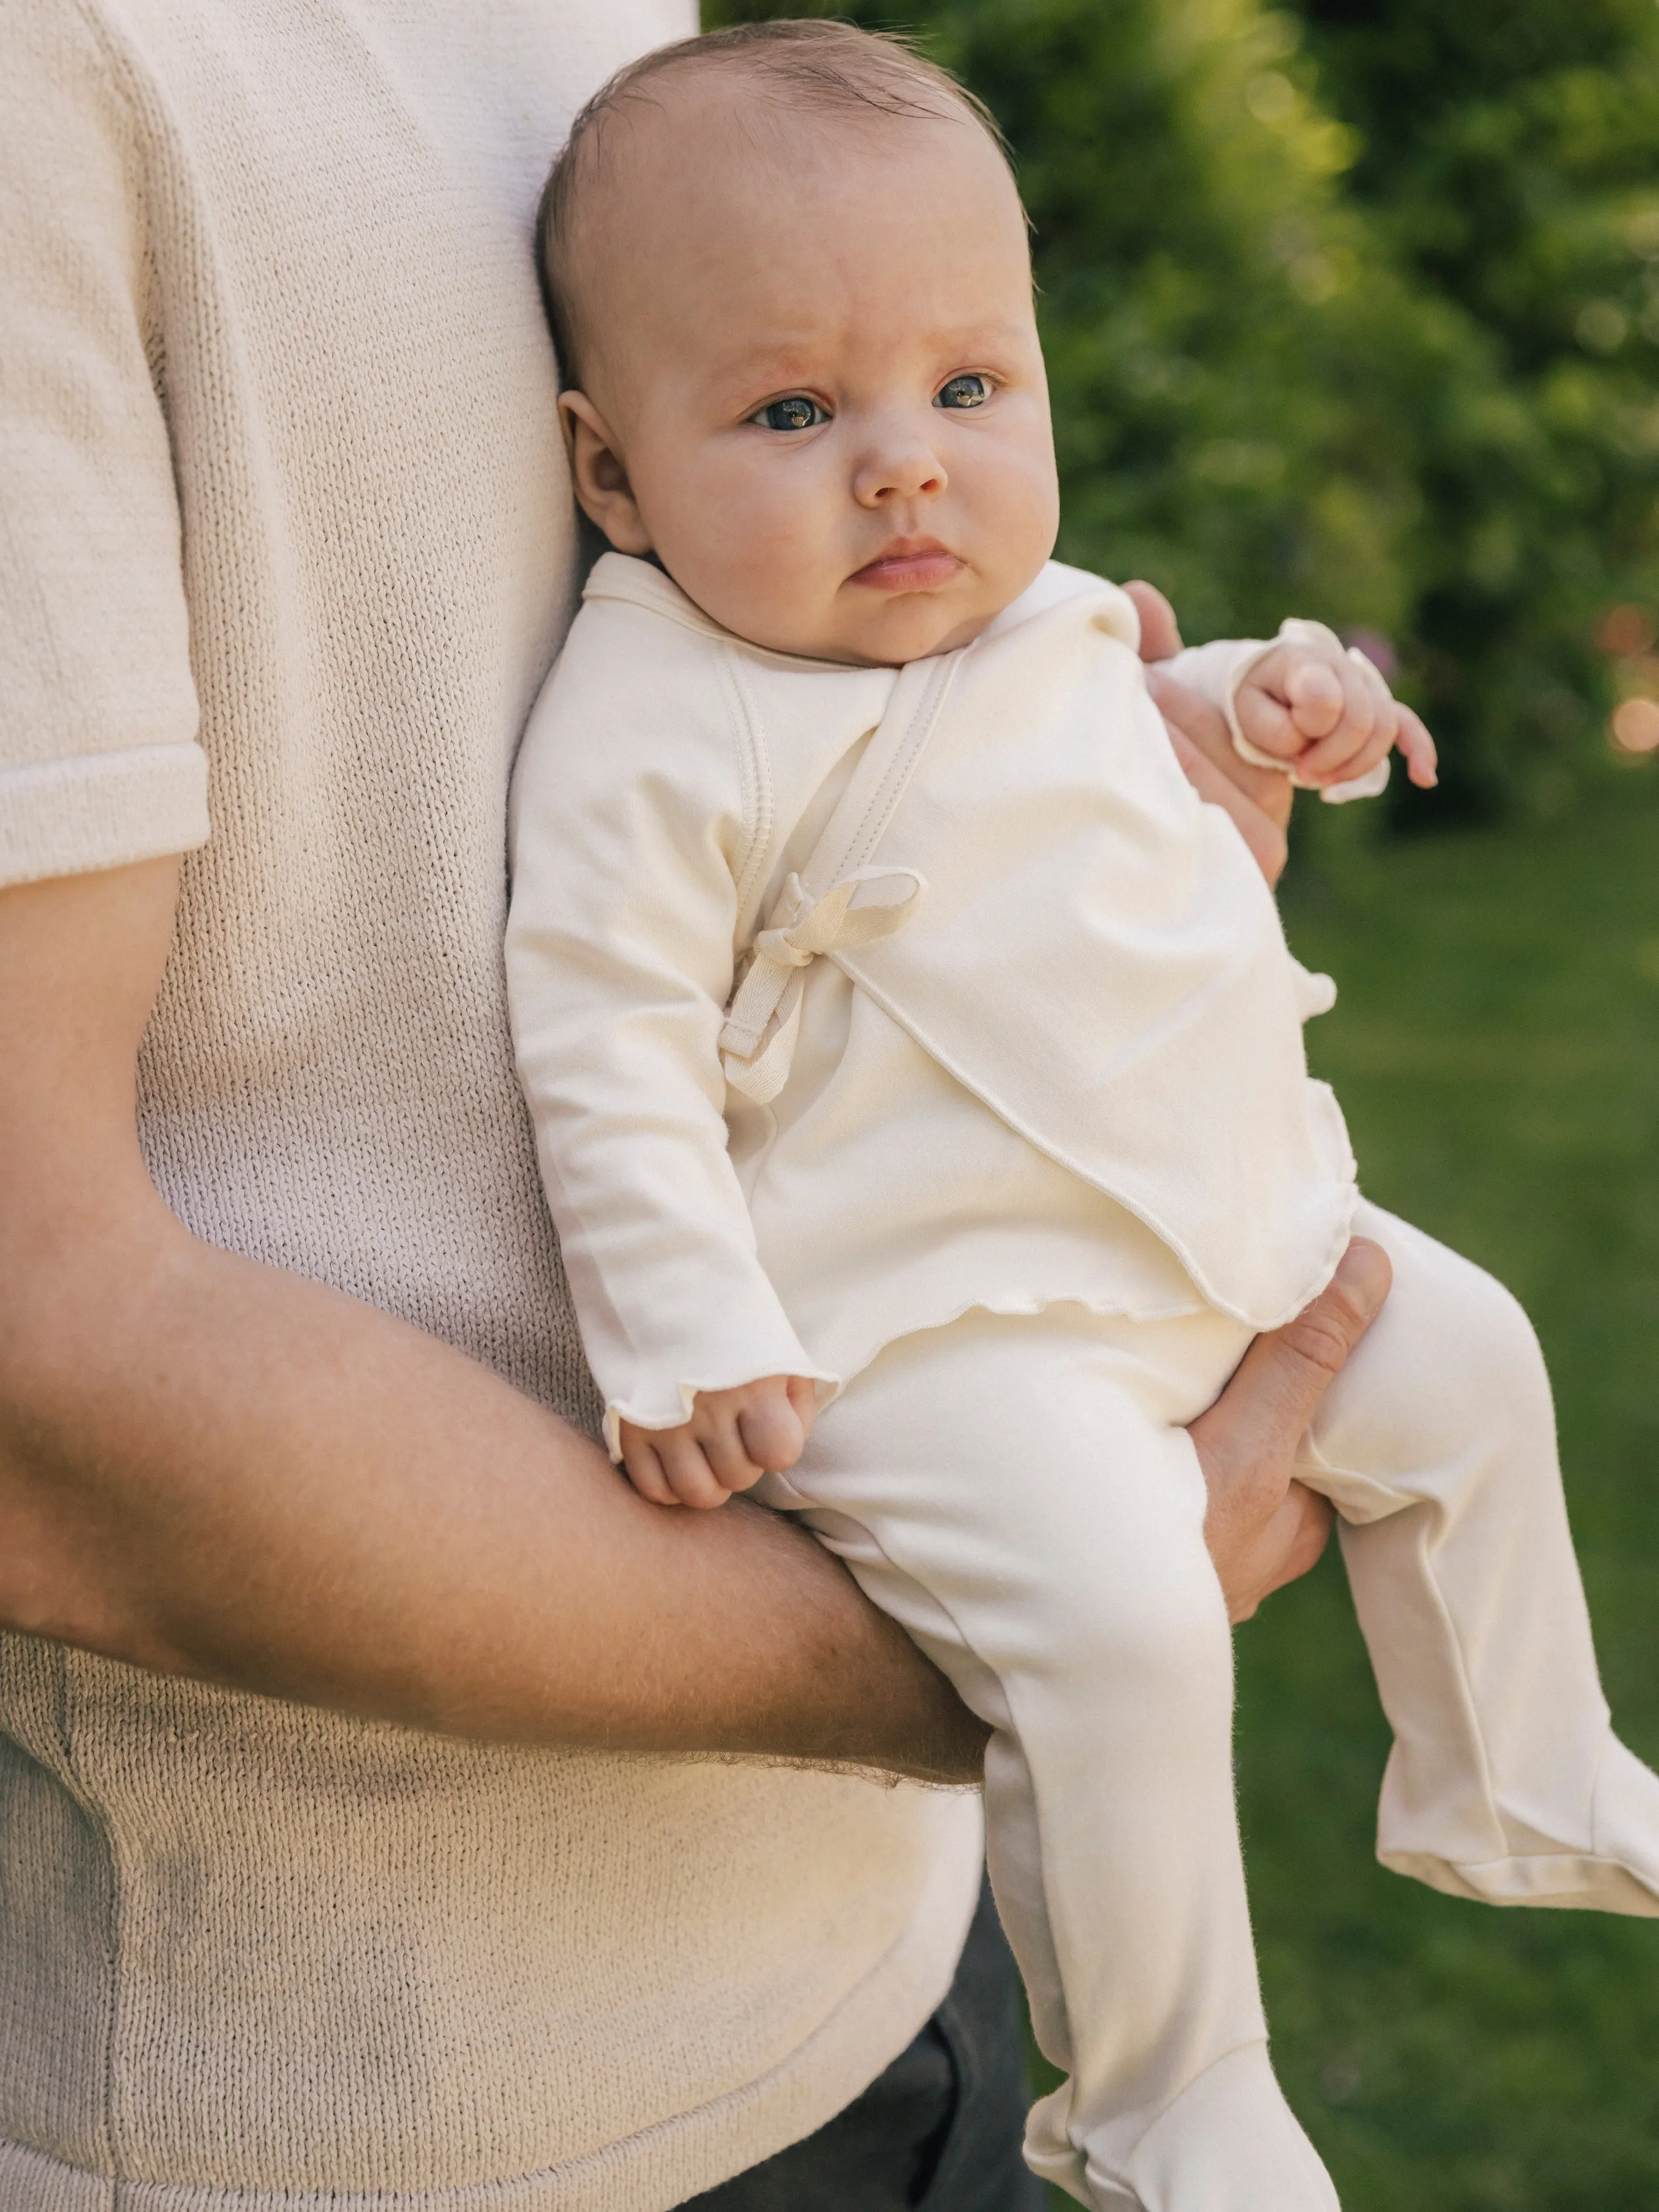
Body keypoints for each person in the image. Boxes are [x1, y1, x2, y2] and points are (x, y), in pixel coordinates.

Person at [0, 4, 1383, 2206]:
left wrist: (1078, 850)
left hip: (875, 1952)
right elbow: (34, 1384)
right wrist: (1040, 1622)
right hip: (381, 2108)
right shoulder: (55, 80)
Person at [506, 24, 1659, 2212]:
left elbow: (1097, 715)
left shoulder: (999, 609)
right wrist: (676, 1325)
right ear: (612, 472)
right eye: (789, 412)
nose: (903, 471)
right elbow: (600, 1021)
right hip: (919, 1331)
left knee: (1467, 1355)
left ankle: (1514, 1767)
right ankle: (1165, 2089)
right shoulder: (664, 712)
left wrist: (1259, 702)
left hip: (1184, 1238)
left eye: (967, 389)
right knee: (1121, 1615)